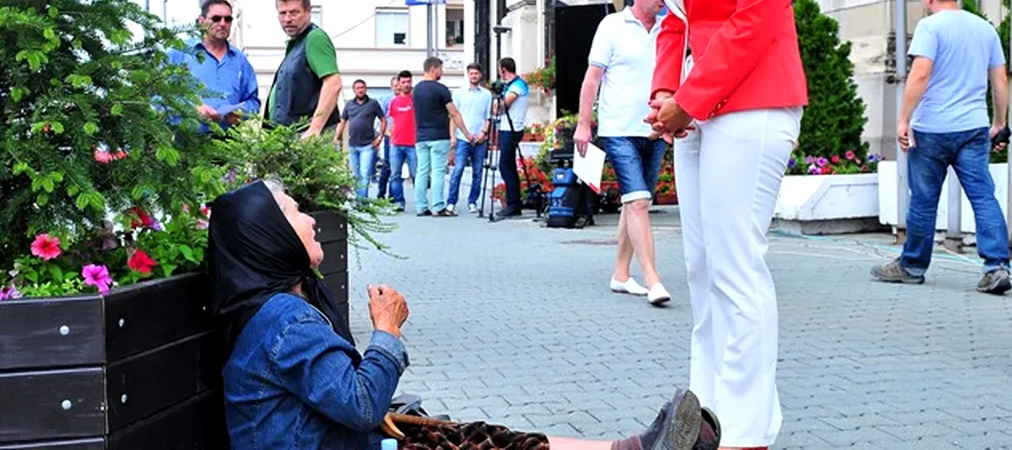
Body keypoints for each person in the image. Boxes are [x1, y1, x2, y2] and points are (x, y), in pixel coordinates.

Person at [207, 178, 722, 450]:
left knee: (474, 435)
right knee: (475, 444)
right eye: (298, 214)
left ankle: (627, 448)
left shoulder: (285, 310)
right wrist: (387, 332)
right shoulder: (284, 320)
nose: (313, 222)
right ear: (270, 237)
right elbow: (359, 404)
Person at [636, 0, 808, 450]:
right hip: (699, 110)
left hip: (753, 103)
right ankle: (703, 416)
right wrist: (662, 93)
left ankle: (747, 429)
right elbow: (673, 15)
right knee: (703, 270)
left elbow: (758, 13)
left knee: (736, 266)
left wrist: (689, 98)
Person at [871, 0, 1012, 294]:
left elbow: (920, 74)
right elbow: (1000, 80)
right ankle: (996, 267)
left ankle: (912, 266)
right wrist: (1000, 123)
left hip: (932, 128)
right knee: (982, 196)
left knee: (923, 200)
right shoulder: (984, 29)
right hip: (974, 127)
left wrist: (903, 119)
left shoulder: (929, 26)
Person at [574, 0, 671, 307]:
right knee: (639, 202)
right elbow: (592, 79)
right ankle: (653, 279)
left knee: (635, 203)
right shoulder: (612, 25)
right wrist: (584, 125)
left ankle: (620, 274)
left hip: (655, 130)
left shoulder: (668, 29)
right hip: (618, 130)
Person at [166, 0, 259, 133]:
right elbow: (159, 94)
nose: (222, 23)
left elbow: (253, 101)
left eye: (228, 19)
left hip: (228, 144)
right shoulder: (180, 53)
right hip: (187, 143)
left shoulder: (240, 60)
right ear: (201, 21)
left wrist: (241, 113)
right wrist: (192, 109)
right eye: (216, 18)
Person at [267, 0, 342, 137]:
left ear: (308, 11)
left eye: (294, 12)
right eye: (282, 13)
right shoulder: (296, 44)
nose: (287, 19)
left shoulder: (315, 38)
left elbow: (333, 84)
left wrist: (314, 129)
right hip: (290, 135)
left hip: (306, 138)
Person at [412, 56, 472, 217]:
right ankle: (438, 206)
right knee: (438, 171)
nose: (442, 72)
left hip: (421, 136)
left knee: (422, 171)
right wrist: (466, 133)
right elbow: (454, 113)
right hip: (438, 135)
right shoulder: (441, 89)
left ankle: (421, 206)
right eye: (440, 68)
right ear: (433, 69)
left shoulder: (416, 90)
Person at [448, 63, 492, 215]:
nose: (474, 76)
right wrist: (453, 136)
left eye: (476, 73)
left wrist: (483, 133)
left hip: (479, 139)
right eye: (471, 73)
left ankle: (473, 201)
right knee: (458, 170)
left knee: (478, 172)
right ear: (468, 75)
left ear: (480, 75)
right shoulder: (459, 93)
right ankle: (451, 202)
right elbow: (454, 116)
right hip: (462, 138)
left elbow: (488, 117)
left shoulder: (486, 95)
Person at [336, 79, 387, 198]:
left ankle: (362, 201)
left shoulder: (373, 103)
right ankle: (359, 199)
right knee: (356, 174)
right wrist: (335, 138)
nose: (360, 90)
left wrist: (380, 137)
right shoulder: (349, 105)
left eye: (362, 87)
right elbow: (342, 122)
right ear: (354, 90)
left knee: (365, 173)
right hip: (352, 145)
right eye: (358, 88)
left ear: (366, 89)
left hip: (368, 145)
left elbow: (383, 119)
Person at [495, 57, 530, 218]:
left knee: (505, 166)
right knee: (507, 166)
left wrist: (496, 102)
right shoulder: (510, 86)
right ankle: (513, 202)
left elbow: (502, 107)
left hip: (512, 128)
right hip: (505, 128)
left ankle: (513, 203)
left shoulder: (517, 85)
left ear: (503, 69)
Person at [386, 70, 417, 210]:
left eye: (408, 82)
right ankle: (399, 202)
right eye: (403, 82)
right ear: (398, 83)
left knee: (416, 174)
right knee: (395, 175)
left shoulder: (416, 100)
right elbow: (391, 120)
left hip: (413, 143)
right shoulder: (394, 102)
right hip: (396, 144)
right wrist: (389, 136)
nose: (406, 84)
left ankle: (420, 202)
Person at [376, 76, 400, 200]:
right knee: (387, 165)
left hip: (402, 139)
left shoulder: (407, 100)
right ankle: (381, 193)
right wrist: (385, 133)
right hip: (389, 137)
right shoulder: (386, 101)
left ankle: (393, 195)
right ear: (391, 87)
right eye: (395, 86)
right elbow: (381, 120)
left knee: (397, 167)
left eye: (399, 85)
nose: (398, 88)